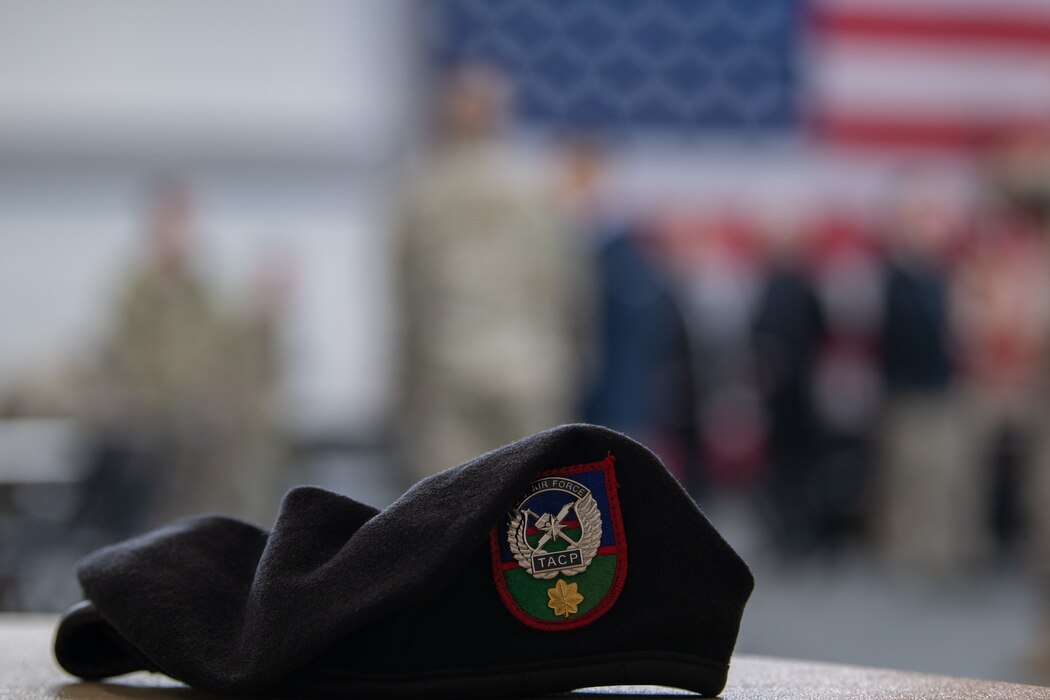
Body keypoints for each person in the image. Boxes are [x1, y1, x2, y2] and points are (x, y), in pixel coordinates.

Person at [395, 65, 585, 483]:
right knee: (531, 504)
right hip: (531, 368)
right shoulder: (534, 189)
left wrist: (402, 388)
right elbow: (566, 286)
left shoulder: (423, 193)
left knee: (448, 507)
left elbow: (407, 299)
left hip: (446, 371)